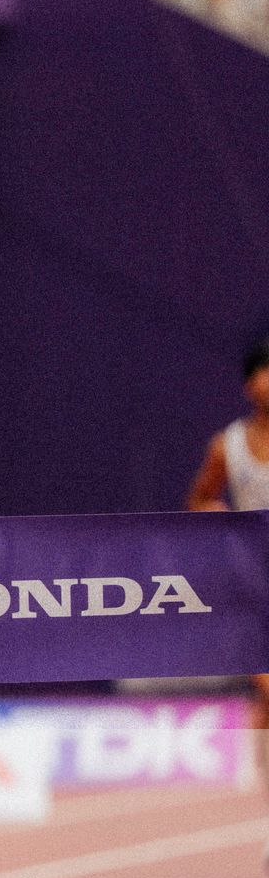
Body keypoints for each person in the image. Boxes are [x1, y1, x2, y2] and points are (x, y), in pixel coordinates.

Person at [186, 335, 269, 820]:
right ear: (248, 385)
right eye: (264, 372)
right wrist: (212, 513)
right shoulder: (228, 446)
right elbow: (198, 499)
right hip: (254, 583)